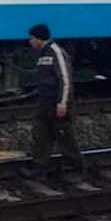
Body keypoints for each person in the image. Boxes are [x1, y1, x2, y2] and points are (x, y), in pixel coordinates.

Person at [21, 23, 81, 177]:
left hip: (57, 103)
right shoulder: (43, 54)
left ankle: (75, 166)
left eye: (32, 38)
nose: (30, 41)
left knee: (64, 135)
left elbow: (65, 78)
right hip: (44, 103)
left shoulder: (56, 51)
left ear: (39, 38)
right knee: (40, 134)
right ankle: (39, 166)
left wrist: (62, 103)